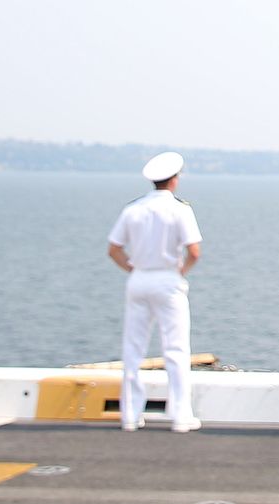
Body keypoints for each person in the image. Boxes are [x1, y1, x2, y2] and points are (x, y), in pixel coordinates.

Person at [107, 151, 204, 432]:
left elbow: (113, 249)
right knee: (175, 348)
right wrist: (180, 271)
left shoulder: (133, 209)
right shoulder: (180, 209)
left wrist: (132, 268)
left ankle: (130, 415)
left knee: (133, 347)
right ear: (174, 180)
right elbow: (194, 251)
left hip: (139, 278)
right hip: (167, 279)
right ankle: (181, 415)